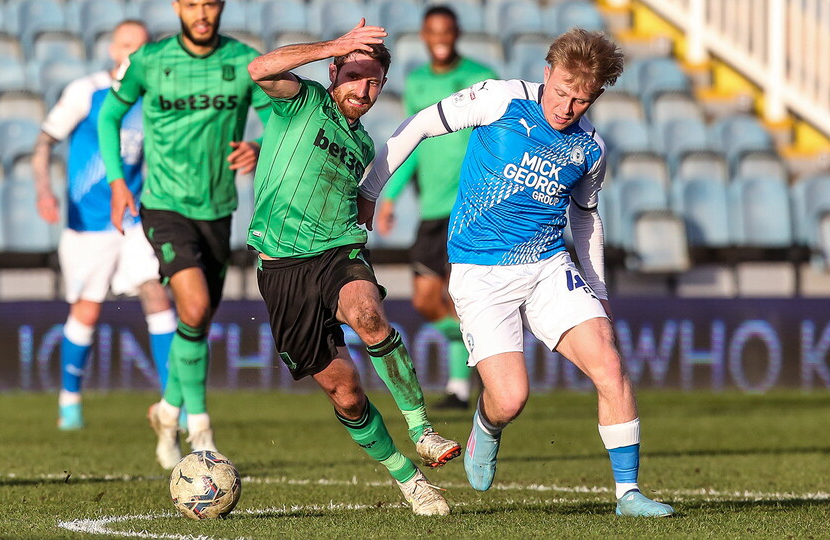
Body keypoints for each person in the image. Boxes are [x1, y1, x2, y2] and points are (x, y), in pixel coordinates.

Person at [357, 28, 676, 517]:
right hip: (480, 272)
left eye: (581, 100)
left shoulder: (590, 147)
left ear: (596, 97)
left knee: (609, 364)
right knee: (510, 398)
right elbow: (420, 124)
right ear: (546, 72)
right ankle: (486, 427)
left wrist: (598, 289)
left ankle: (628, 494)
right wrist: (371, 191)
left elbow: (585, 216)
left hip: (549, 265)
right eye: (563, 91)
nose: (567, 107)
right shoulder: (501, 99)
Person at [246, 19, 460, 516]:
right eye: (354, 74)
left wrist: (367, 201)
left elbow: (363, 197)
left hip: (338, 252)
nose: (363, 89)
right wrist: (336, 43)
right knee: (345, 394)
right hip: (280, 270)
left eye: (374, 82)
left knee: (368, 315)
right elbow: (259, 68)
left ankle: (422, 429)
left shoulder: (364, 147)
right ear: (333, 70)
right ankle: (407, 478)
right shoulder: (302, 101)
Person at [98, 0, 271, 469]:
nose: (202, 13)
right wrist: (118, 182)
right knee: (192, 308)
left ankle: (166, 410)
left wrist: (258, 144)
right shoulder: (149, 62)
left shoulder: (242, 61)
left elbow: (279, 117)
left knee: (197, 322)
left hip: (217, 210)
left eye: (210, 4)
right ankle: (201, 429)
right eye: (192, 3)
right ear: (177, 7)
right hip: (164, 205)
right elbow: (108, 117)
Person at [33, 20, 177, 432]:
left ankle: (174, 406)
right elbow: (45, 141)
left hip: (134, 218)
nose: (134, 52)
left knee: (157, 294)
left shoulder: (153, 97)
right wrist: (44, 189)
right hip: (88, 223)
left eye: (142, 46)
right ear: (114, 49)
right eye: (128, 44)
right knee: (88, 309)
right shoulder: (87, 90)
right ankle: (70, 403)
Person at [375, 5, 498, 410]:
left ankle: (460, 387)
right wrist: (389, 196)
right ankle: (480, 352)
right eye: (433, 31)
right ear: (425, 36)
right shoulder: (418, 81)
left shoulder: (482, 77)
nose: (441, 37)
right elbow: (414, 139)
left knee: (463, 294)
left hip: (474, 204)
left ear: (456, 32)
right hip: (431, 208)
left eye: (447, 30)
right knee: (426, 299)